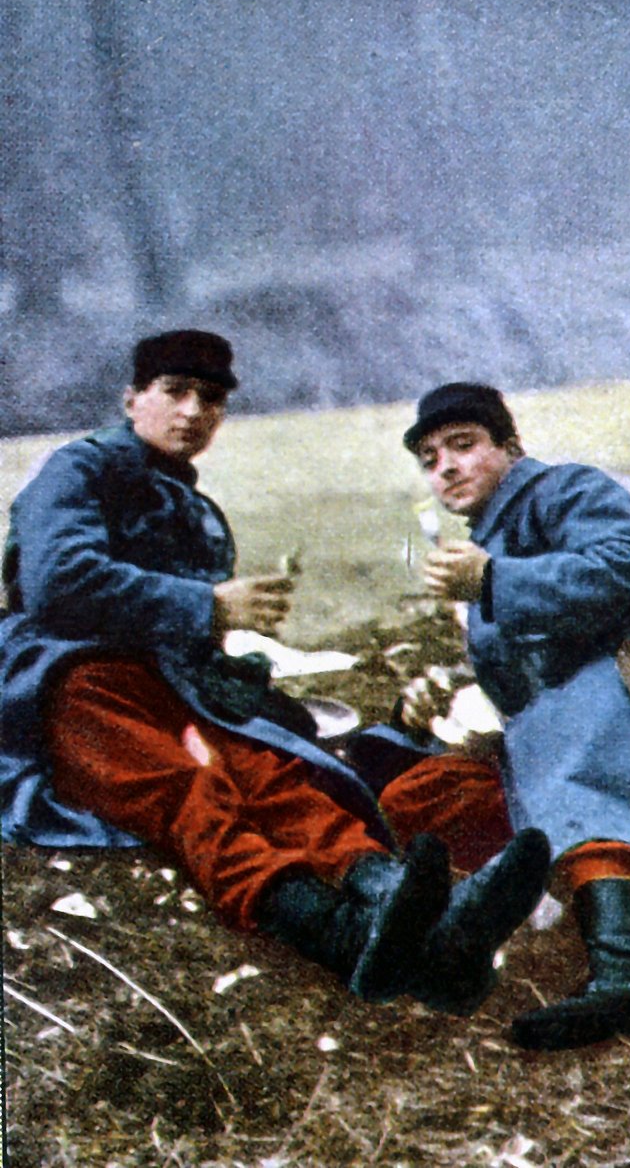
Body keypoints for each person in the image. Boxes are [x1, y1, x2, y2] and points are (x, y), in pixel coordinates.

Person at [0, 330, 550, 1013]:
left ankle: (408, 909)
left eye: (211, 399)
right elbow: (57, 583)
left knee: (278, 781)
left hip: (169, 687)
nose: (192, 413)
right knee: (192, 794)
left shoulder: (193, 509)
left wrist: (237, 654)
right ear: (133, 399)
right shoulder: (79, 470)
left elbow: (181, 637)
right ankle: (344, 935)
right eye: (174, 393)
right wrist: (208, 606)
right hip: (69, 682)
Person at [391, 382, 630, 1051]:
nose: (447, 469)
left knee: (572, 734)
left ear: (510, 446)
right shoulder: (486, 538)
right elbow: (521, 664)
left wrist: (492, 581)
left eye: (463, 446)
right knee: (424, 791)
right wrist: (439, 695)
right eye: (430, 460)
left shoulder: (564, 492)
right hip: (558, 729)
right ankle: (491, 935)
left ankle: (627, 973)